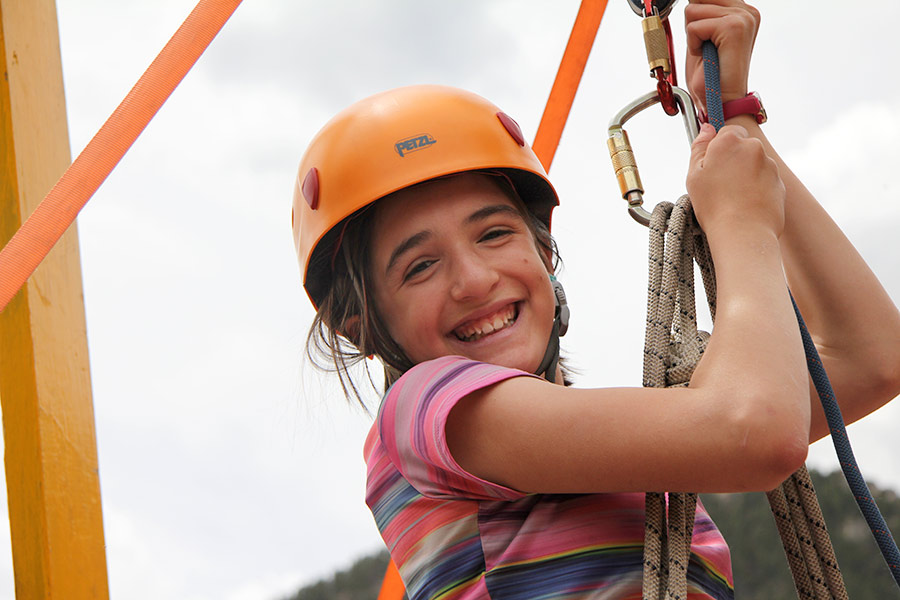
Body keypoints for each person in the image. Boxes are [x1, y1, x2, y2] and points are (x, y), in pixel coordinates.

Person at [292, 1, 900, 597]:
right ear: (362, 326)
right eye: (421, 266)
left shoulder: (623, 448)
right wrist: (741, 222)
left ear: (542, 255)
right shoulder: (424, 411)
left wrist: (737, 122)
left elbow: (871, 358)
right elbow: (756, 430)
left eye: (494, 233)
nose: (473, 280)